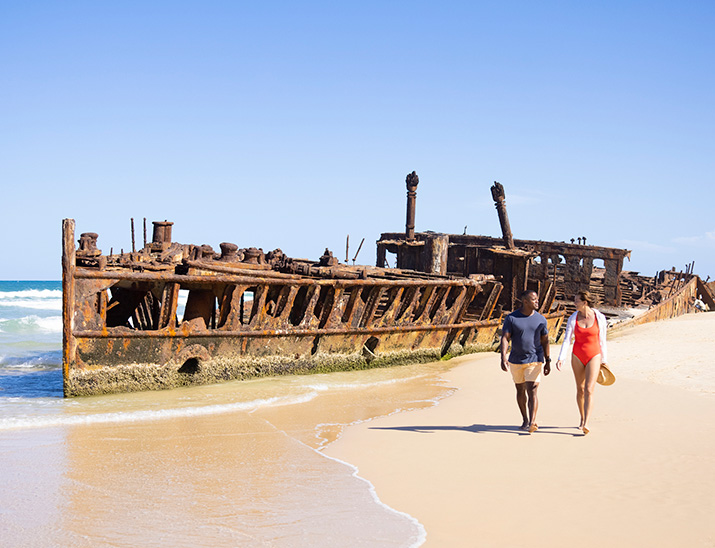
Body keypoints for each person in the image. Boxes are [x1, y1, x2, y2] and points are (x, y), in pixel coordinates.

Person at [556, 290, 608, 435]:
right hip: (577, 355)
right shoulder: (573, 318)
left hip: (594, 355)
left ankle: (586, 423)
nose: (574, 303)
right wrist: (561, 358)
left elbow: (602, 340)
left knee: (589, 389)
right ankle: (582, 417)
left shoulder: (599, 317)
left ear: (585, 302)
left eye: (577, 300)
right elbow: (567, 339)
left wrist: (604, 360)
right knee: (580, 389)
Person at [500, 289, 551, 433]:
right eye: (534, 300)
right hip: (516, 360)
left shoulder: (541, 319)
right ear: (525, 302)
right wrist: (503, 356)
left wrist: (548, 361)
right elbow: (505, 337)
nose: (537, 302)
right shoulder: (512, 318)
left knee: (532, 389)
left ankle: (532, 422)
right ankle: (525, 419)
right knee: (520, 390)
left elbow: (545, 341)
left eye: (537, 299)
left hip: (535, 359)